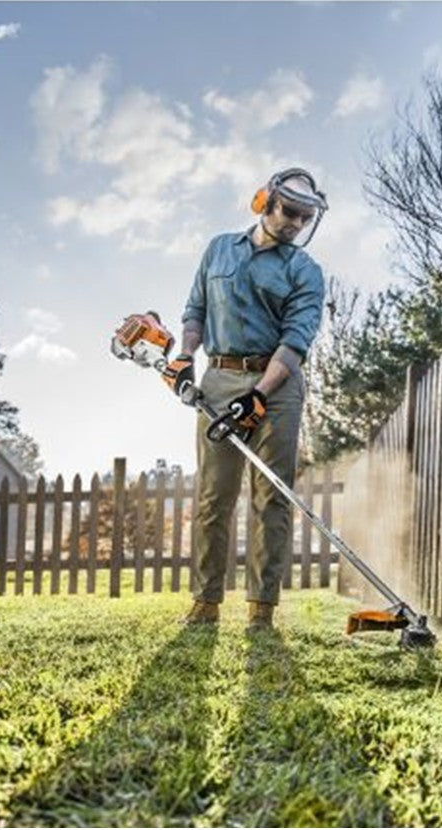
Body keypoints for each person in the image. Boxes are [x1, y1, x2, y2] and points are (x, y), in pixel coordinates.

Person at [163, 167, 328, 630]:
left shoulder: (305, 270)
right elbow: (195, 310)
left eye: (305, 218)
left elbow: (296, 341)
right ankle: (206, 602)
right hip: (218, 379)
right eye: (290, 212)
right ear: (265, 203)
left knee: (271, 495)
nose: (296, 224)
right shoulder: (219, 249)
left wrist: (258, 396)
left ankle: (261, 610)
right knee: (214, 495)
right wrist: (185, 356)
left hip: (276, 387)